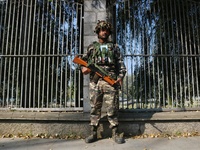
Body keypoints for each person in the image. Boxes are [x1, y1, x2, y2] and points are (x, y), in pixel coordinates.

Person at [81, 20, 126, 144]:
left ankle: (115, 133)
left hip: (110, 81)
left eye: (106, 30)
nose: (104, 32)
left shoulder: (114, 47)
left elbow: (121, 65)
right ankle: (94, 133)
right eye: (101, 30)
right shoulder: (91, 47)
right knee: (95, 108)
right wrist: (84, 69)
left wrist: (120, 77)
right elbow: (82, 63)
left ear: (109, 32)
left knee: (112, 107)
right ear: (97, 32)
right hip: (95, 82)